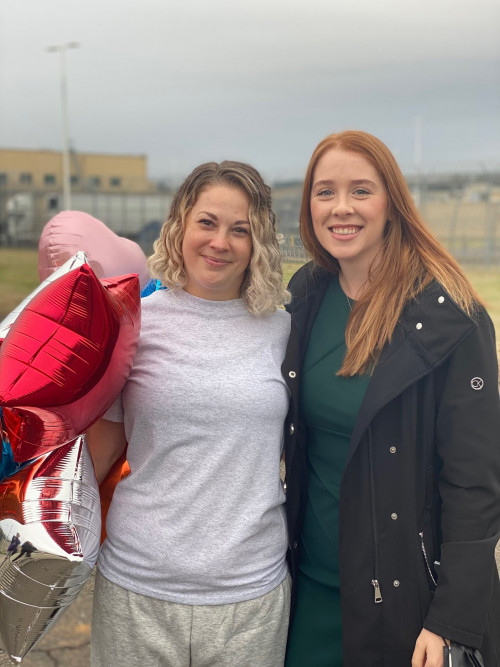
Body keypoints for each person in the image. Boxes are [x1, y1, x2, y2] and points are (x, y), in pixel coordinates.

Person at [282, 130, 500, 667]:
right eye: (325, 192)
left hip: (408, 602)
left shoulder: (453, 319)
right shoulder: (305, 296)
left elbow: (475, 481)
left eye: (361, 190)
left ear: (392, 203)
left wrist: (453, 618)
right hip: (309, 586)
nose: (341, 208)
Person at [87, 161, 291, 667]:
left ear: (258, 242)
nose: (220, 242)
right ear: (180, 226)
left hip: (250, 596)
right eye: (207, 222)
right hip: (138, 588)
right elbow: (99, 455)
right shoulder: (132, 324)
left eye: (240, 230)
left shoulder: (285, 331)